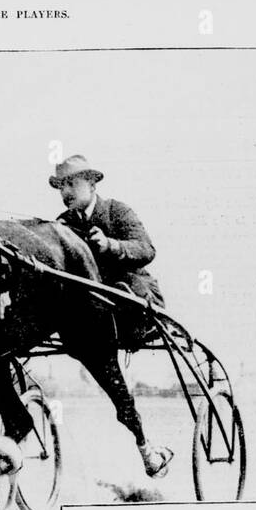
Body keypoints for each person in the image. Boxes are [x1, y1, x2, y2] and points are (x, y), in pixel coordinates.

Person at [51, 153, 172, 476]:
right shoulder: (61, 225)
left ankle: (144, 443)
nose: (66, 192)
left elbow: (146, 249)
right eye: (61, 186)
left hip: (132, 297)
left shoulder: (117, 210)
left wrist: (111, 246)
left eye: (72, 184)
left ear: (91, 183)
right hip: (92, 309)